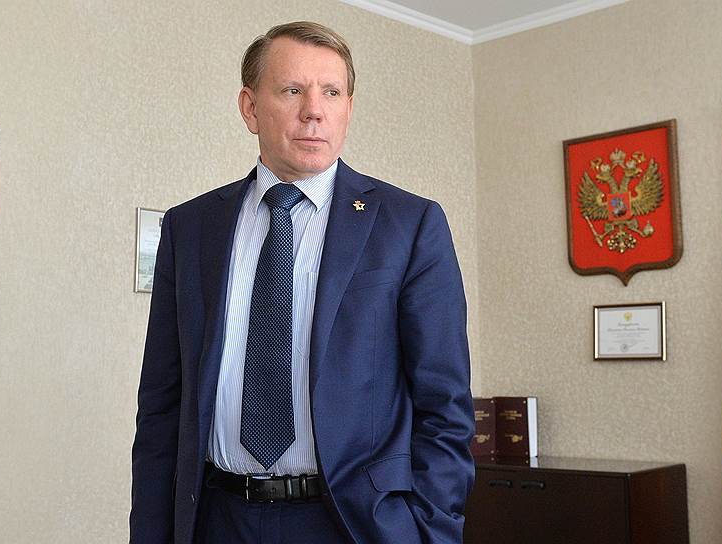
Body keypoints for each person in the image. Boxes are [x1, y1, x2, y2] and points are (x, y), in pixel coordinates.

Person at [130, 21, 474, 544]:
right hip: (217, 520)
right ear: (250, 108)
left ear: (348, 108)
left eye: (331, 92)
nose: (314, 110)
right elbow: (161, 408)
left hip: (354, 524)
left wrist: (429, 530)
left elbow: (444, 406)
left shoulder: (409, 225)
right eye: (292, 90)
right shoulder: (190, 228)